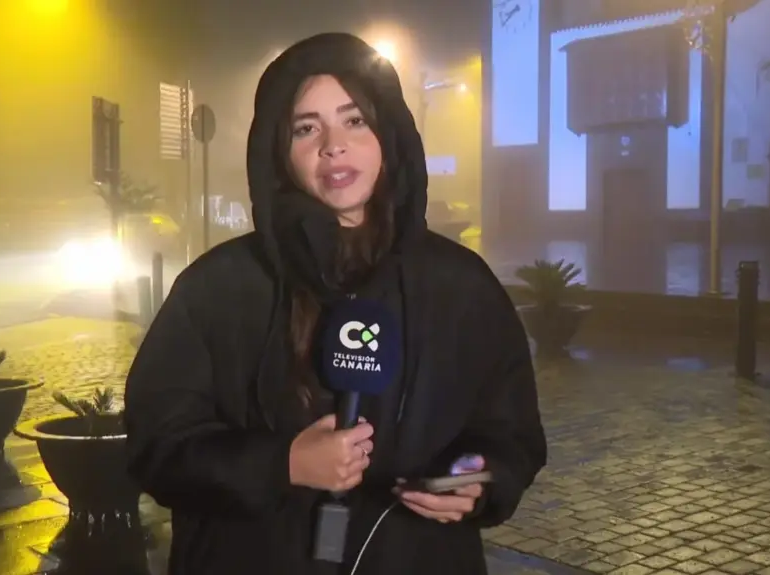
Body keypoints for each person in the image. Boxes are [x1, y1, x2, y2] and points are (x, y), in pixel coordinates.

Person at [124, 32, 547, 575]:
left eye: (355, 120)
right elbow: (157, 446)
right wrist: (283, 465)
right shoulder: (217, 287)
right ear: (278, 150)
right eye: (306, 128)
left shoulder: (462, 286)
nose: (333, 145)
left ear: (389, 134)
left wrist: (479, 478)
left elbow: (512, 433)